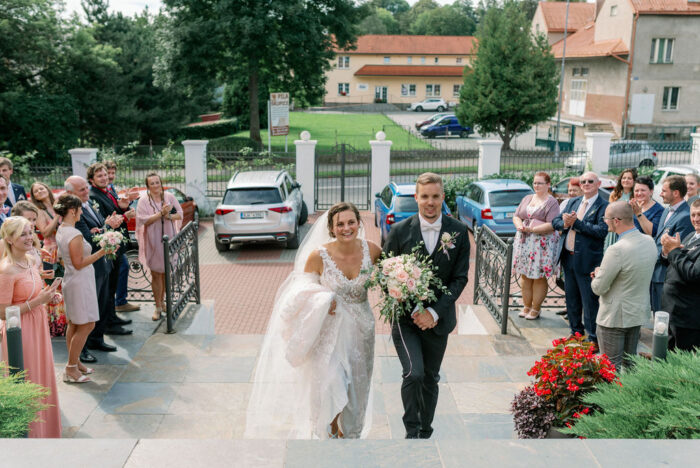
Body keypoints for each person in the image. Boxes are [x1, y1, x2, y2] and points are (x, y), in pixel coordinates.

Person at [246, 202, 382, 439]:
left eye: (351, 222)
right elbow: (299, 291)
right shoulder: (318, 256)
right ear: (331, 228)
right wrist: (323, 298)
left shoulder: (373, 250)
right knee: (329, 384)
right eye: (340, 224)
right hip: (330, 332)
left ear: (359, 223)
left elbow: (389, 278)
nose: (346, 227)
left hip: (362, 331)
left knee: (358, 389)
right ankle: (327, 428)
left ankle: (351, 435)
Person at [383, 173, 469, 439]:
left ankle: (425, 429)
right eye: (424, 196)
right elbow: (386, 275)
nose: (430, 202)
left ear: (443, 197)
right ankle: (411, 429)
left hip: (438, 320)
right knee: (414, 373)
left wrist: (432, 312)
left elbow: (460, 278)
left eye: (435, 196)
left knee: (431, 377)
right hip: (406, 320)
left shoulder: (458, 231)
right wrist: (413, 309)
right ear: (416, 198)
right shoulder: (399, 231)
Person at [0, 216, 62, 437]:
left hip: (38, 325)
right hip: (20, 331)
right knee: (29, 377)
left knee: (43, 375)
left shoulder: (31, 260)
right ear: (9, 238)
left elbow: (36, 291)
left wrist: (49, 297)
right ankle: (31, 435)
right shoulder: (6, 270)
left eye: (30, 232)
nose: (29, 237)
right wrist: (38, 302)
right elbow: (2, 312)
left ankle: (47, 433)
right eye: (23, 234)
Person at [55, 193, 115, 382]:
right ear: (73, 211)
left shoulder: (62, 228)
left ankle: (76, 363)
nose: (82, 211)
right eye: (80, 209)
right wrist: (103, 251)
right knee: (87, 324)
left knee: (74, 323)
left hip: (73, 280)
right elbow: (79, 262)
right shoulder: (74, 234)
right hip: (79, 282)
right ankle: (71, 368)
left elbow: (64, 260)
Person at [591, 202, 657, 370]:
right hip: (636, 313)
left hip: (614, 317)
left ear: (616, 220)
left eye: (606, 218)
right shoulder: (649, 241)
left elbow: (598, 288)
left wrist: (598, 274)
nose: (605, 221)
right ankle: (631, 396)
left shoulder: (616, 249)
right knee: (630, 365)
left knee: (609, 369)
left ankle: (613, 397)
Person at [65, 175, 122, 362]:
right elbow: (86, 239)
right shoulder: (72, 214)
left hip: (102, 263)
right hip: (89, 265)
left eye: (85, 187)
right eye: (81, 189)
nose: (86, 191)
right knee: (88, 310)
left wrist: (106, 226)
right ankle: (82, 349)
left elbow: (97, 228)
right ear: (70, 193)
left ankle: (98, 339)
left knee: (103, 303)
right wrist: (107, 226)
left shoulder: (89, 205)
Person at [552, 172, 608, 348]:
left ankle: (593, 338)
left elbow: (601, 231)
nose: (586, 184)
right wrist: (565, 224)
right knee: (571, 298)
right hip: (568, 258)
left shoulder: (603, 206)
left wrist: (577, 223)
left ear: (598, 183)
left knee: (589, 301)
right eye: (583, 181)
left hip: (588, 260)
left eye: (590, 181)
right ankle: (575, 332)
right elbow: (555, 221)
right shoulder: (573, 201)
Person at [86, 162, 134, 334]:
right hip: (108, 245)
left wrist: (123, 207)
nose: (104, 178)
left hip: (116, 244)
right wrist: (124, 215)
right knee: (108, 287)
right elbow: (105, 219)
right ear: (91, 180)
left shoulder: (109, 190)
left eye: (105, 174)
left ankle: (112, 318)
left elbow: (114, 210)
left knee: (112, 285)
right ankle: (107, 323)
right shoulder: (94, 196)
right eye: (100, 176)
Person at [512, 172, 560, 320]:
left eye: (540, 183)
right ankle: (526, 306)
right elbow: (516, 215)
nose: (536, 186)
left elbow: (553, 224)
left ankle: (536, 308)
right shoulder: (527, 198)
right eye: (534, 183)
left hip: (541, 245)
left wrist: (531, 229)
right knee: (525, 275)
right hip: (524, 242)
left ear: (548, 184)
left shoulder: (552, 202)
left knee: (538, 277)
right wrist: (520, 226)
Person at [135, 172, 183, 320]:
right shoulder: (143, 200)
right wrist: (160, 214)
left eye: (157, 182)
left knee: (166, 273)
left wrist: (169, 216)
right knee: (156, 273)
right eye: (152, 183)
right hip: (153, 240)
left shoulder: (169, 196)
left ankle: (164, 303)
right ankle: (157, 306)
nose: (156, 185)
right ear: (148, 186)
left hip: (168, 238)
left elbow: (180, 214)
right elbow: (143, 220)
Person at [660, 198, 700, 351]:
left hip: (688, 316)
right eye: (693, 215)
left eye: (699, 215)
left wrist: (674, 251)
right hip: (672, 310)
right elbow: (674, 263)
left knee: (682, 362)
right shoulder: (691, 236)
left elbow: (694, 273)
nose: (696, 219)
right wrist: (666, 251)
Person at [650, 175, 694, 314]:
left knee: (664, 318)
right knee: (657, 315)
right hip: (656, 273)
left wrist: (656, 256)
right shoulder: (666, 210)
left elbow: (679, 248)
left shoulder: (686, 216)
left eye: (664, 191)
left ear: (675, 193)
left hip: (667, 275)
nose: (660, 194)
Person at [103, 160, 140, 313]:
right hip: (109, 237)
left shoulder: (111, 188)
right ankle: (119, 302)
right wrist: (125, 215)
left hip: (119, 235)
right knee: (122, 267)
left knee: (122, 267)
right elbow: (108, 214)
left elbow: (116, 207)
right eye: (107, 173)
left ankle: (119, 301)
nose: (111, 176)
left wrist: (127, 203)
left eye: (112, 173)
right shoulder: (100, 193)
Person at [604, 168, 636, 250]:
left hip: (628, 228)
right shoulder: (614, 194)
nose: (626, 180)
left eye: (629, 178)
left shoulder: (636, 195)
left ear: (634, 180)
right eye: (624, 178)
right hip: (614, 228)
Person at [30, 182, 60, 257]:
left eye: (41, 188)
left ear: (47, 190)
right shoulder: (38, 211)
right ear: (35, 197)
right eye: (36, 191)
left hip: (67, 244)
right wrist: (57, 215)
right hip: (53, 251)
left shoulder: (58, 203)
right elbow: (45, 233)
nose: (39, 191)